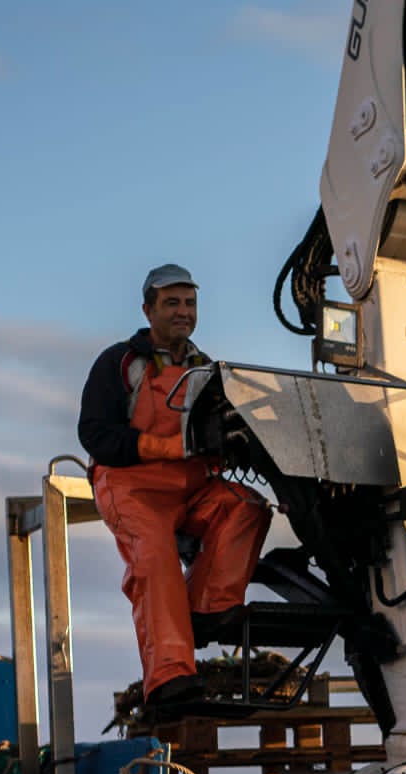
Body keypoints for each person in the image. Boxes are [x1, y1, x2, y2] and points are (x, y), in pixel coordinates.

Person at [77, 264, 271, 712]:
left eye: (190, 303)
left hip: (191, 489)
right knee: (156, 557)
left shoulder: (206, 370)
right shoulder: (119, 363)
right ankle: (168, 681)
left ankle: (205, 611)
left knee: (246, 506)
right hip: (131, 488)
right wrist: (168, 445)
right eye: (172, 303)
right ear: (148, 309)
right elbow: (95, 434)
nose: (183, 312)